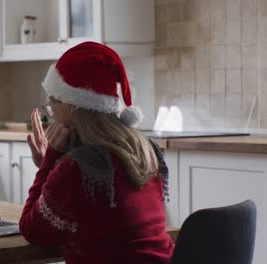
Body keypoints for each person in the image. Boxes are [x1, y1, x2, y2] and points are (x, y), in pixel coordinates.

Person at [20, 41, 174, 263]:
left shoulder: (77, 167)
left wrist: (49, 162)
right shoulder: (147, 149)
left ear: (72, 106)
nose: (52, 114)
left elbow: (31, 230)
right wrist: (56, 167)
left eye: (53, 104)